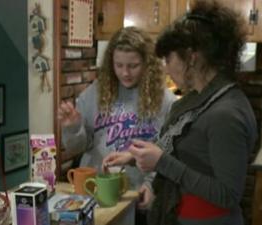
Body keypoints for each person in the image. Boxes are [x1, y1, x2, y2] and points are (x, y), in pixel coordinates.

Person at [102, 1, 257, 225]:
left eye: (168, 59)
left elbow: (227, 195)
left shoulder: (226, 114)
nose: (165, 67)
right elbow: (180, 147)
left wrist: (162, 162)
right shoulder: (199, 99)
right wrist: (134, 157)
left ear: (191, 57)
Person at [57, 27, 176, 213]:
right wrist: (72, 129)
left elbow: (168, 152)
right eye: (118, 65)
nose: (125, 73)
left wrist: (152, 185)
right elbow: (77, 148)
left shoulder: (165, 100)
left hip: (139, 196)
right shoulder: (94, 93)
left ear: (147, 64)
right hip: (97, 192)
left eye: (133, 66)